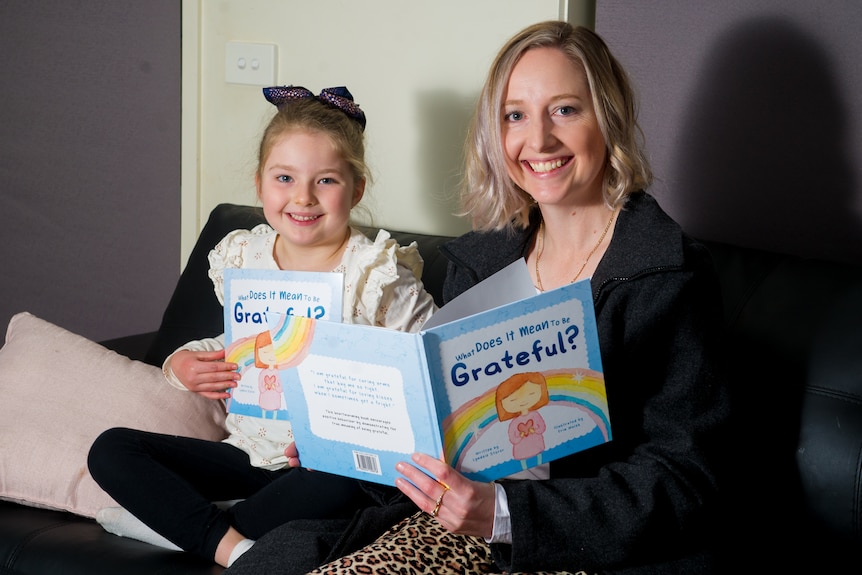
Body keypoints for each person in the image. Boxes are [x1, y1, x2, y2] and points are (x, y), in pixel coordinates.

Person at [226, 21, 733, 575]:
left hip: (580, 546)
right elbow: (446, 434)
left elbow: (686, 478)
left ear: (607, 118)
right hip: (447, 525)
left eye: (564, 110)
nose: (537, 141)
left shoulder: (667, 275)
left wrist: (504, 513)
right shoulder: (481, 263)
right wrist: (342, 438)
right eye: (515, 115)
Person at [87, 85, 437, 568]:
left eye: (327, 181)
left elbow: (422, 380)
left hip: (325, 466)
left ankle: (185, 526)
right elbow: (239, 343)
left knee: (350, 482)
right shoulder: (243, 256)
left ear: (356, 189)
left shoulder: (375, 273)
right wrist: (180, 363)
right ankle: (240, 548)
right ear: (259, 184)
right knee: (111, 449)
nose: (303, 197)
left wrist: (339, 433)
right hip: (246, 454)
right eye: (284, 177)